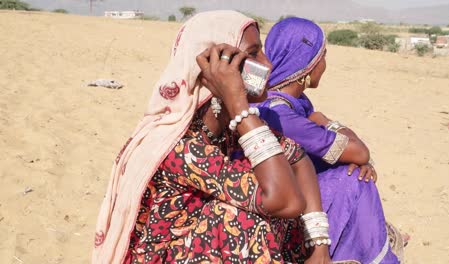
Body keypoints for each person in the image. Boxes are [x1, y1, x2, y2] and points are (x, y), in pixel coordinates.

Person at [92, 11, 335, 264]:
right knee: (240, 218)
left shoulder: (230, 128)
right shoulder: (182, 146)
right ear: (218, 68)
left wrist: (319, 246)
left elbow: (298, 157)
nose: (268, 65)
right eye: (253, 54)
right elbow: (286, 201)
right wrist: (238, 102)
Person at [256, 17, 403, 263]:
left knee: (352, 171)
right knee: (355, 180)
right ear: (307, 65)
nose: (324, 64)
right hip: (285, 209)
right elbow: (360, 152)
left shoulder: (290, 103)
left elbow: (351, 153)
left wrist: (351, 156)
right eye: (323, 56)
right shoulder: (281, 114)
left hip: (292, 193)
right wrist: (326, 122)